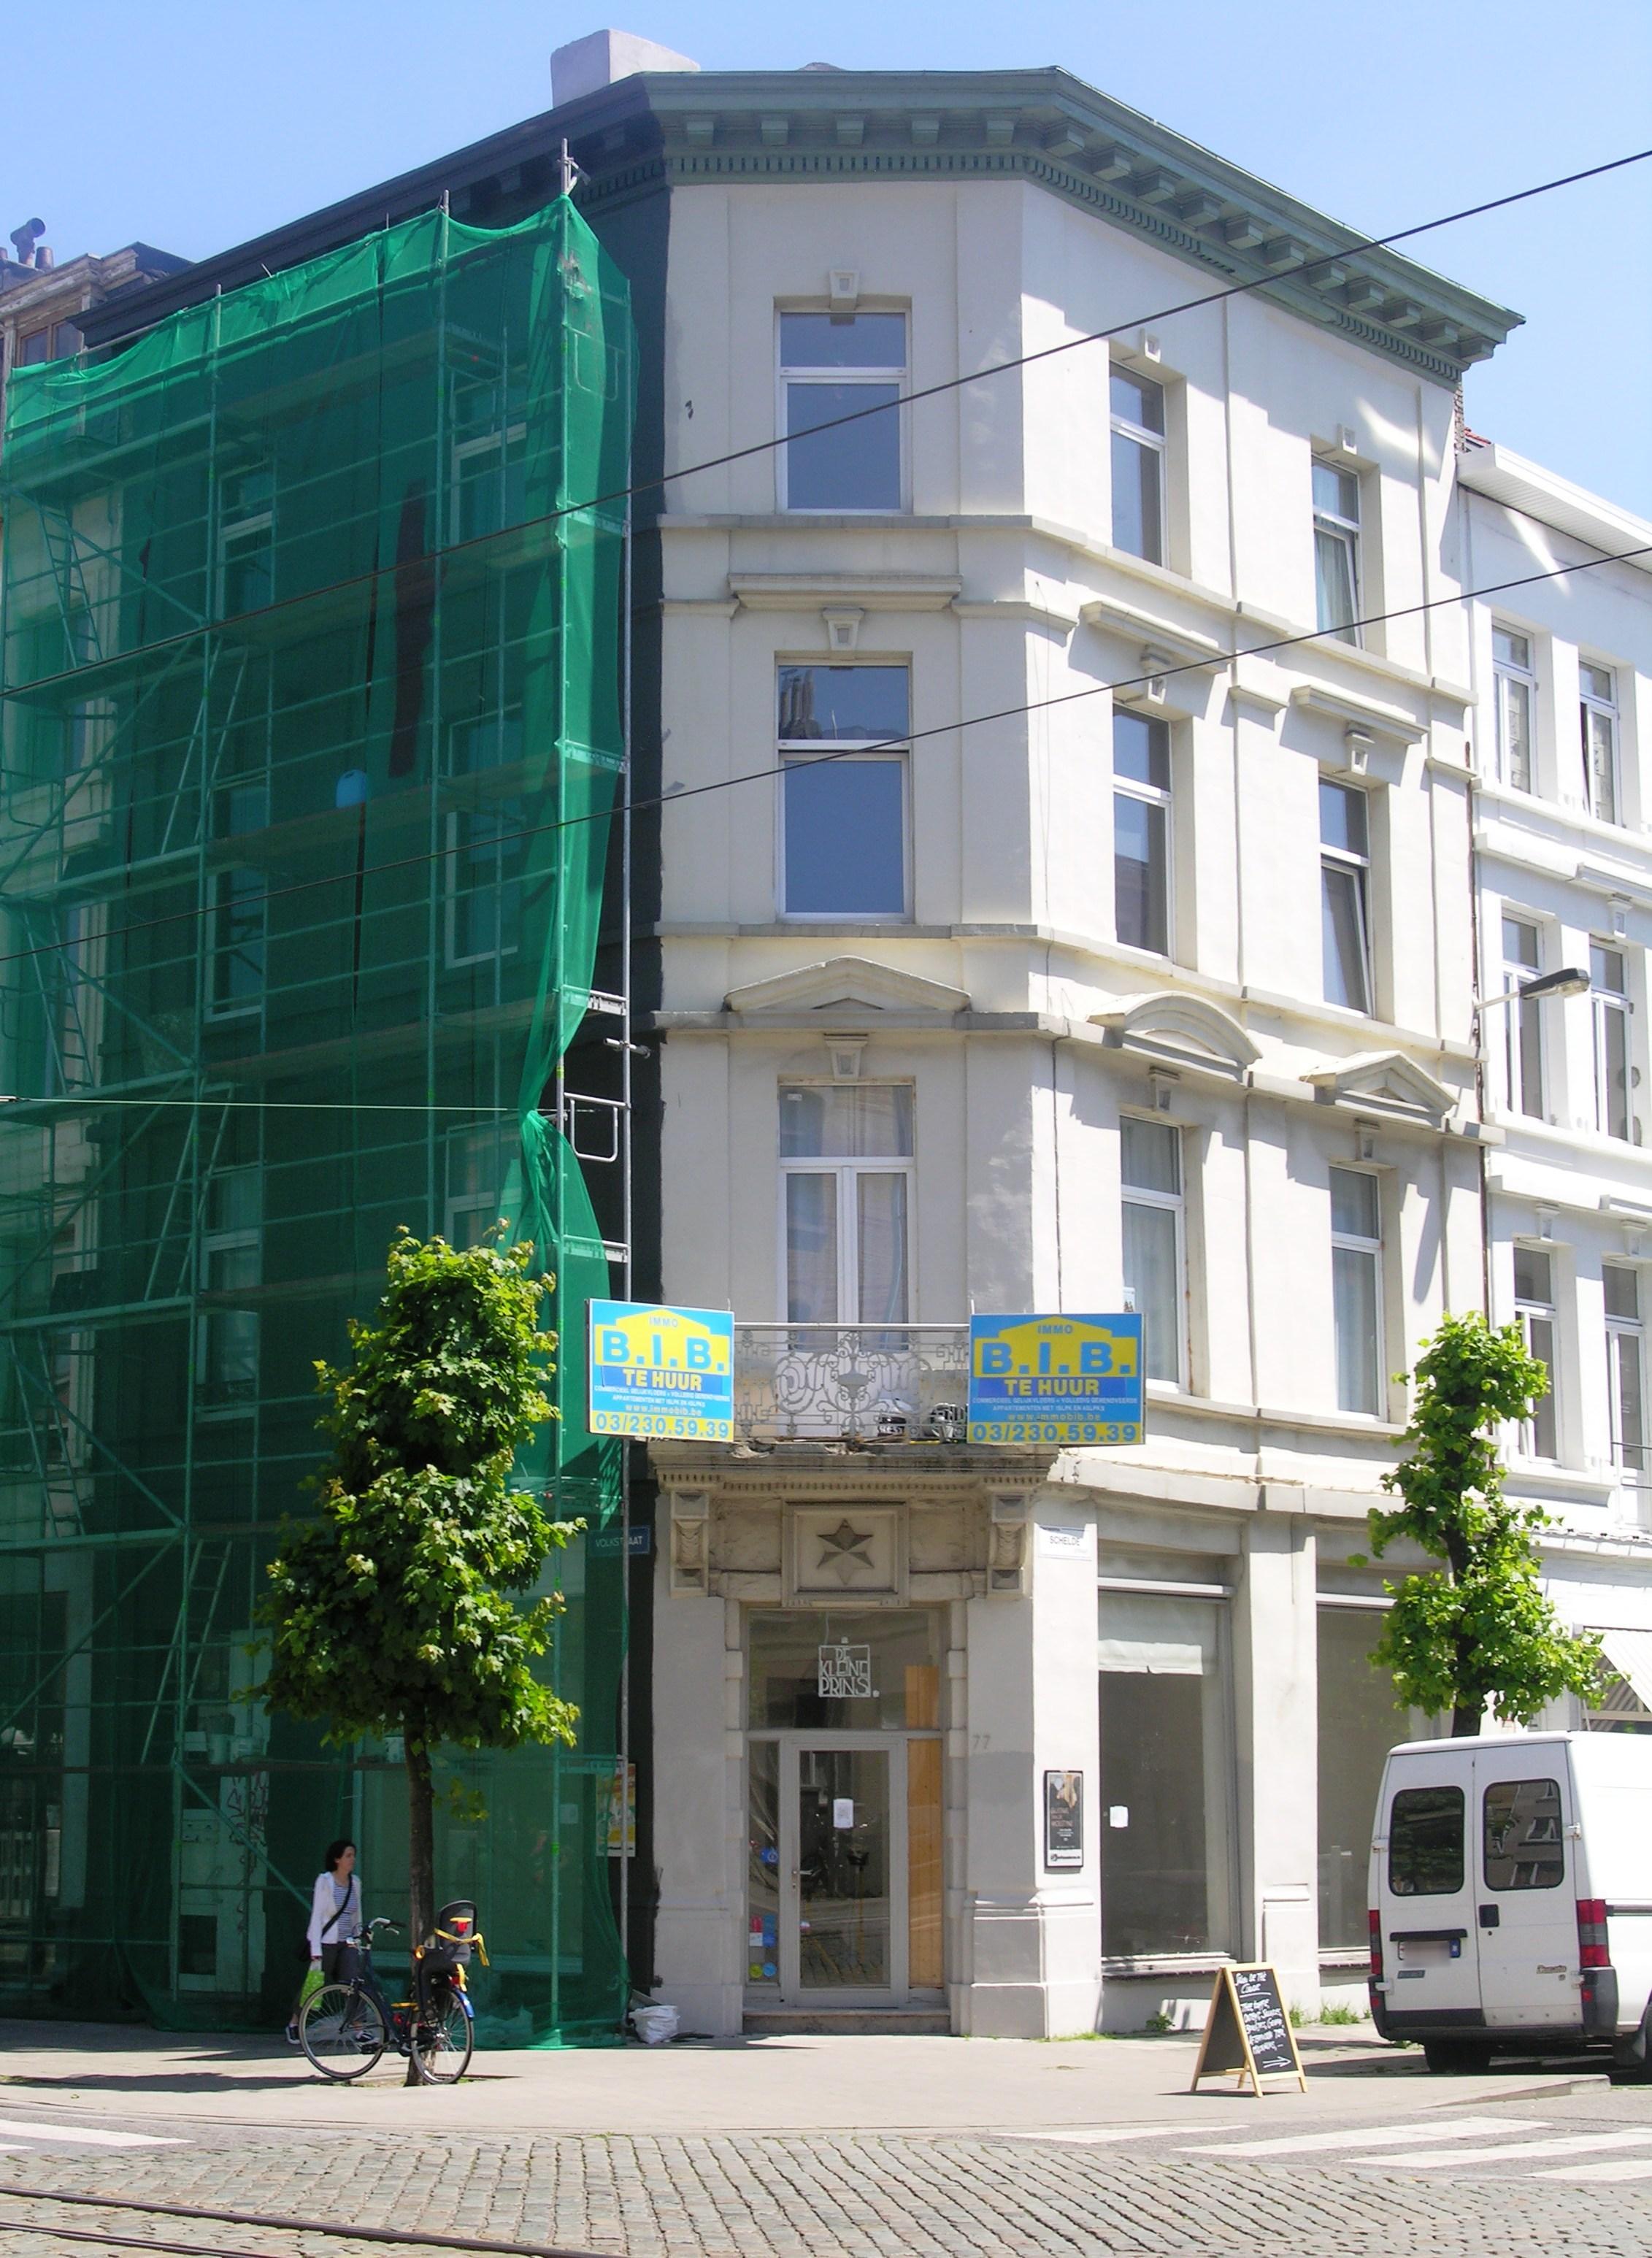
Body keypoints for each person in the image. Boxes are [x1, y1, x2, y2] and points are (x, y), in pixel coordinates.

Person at [285, 1838, 361, 2045]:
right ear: (337, 1859)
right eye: (348, 1856)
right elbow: (317, 1915)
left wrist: (357, 1939)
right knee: (315, 1984)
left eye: (353, 1856)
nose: (352, 1860)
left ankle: (358, 2028)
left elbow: (357, 1915)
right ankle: (295, 2022)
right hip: (327, 1942)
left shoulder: (356, 1883)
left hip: (347, 1943)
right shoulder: (325, 1881)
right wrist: (316, 1950)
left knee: (353, 1983)